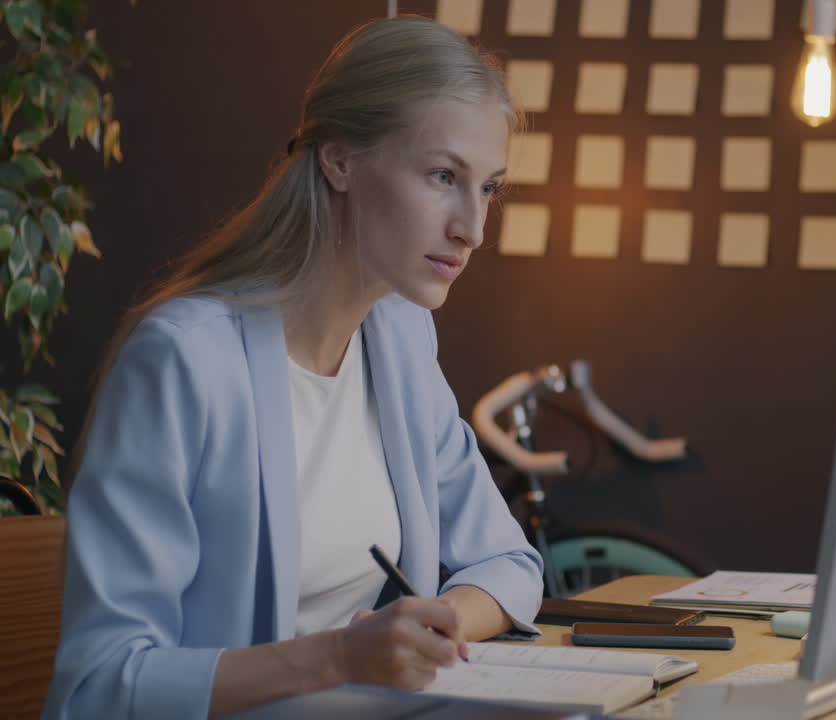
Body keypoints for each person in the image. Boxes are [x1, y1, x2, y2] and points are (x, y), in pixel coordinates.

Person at [43, 16, 543, 720]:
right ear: (339, 161)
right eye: (442, 176)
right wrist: (343, 655)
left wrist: (429, 632)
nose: (473, 227)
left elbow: (511, 566)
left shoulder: (400, 336)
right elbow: (101, 685)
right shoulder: (185, 359)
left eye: (488, 187)